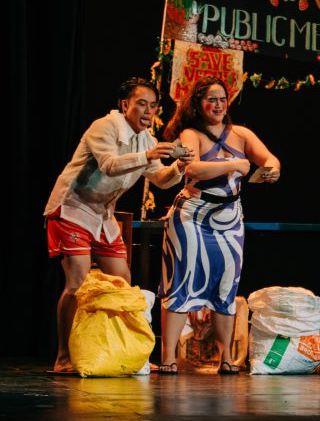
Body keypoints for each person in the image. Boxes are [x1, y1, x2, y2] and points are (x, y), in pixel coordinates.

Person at [44, 77, 193, 373]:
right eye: (142, 104)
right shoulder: (105, 127)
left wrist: (179, 166)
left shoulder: (147, 139)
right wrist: (148, 155)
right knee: (77, 281)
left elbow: (160, 179)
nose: (148, 112)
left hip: (102, 215)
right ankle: (63, 356)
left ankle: (121, 351)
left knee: (122, 281)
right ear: (125, 105)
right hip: (73, 208)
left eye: (153, 106)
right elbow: (109, 165)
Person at [158, 77, 280, 374]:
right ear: (199, 104)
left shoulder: (241, 133)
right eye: (211, 99)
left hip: (229, 218)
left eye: (222, 99)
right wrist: (233, 164)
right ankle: (168, 357)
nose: (218, 105)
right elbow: (193, 168)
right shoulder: (191, 134)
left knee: (226, 285)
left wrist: (272, 169)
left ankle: (226, 358)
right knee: (182, 283)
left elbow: (269, 158)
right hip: (192, 216)